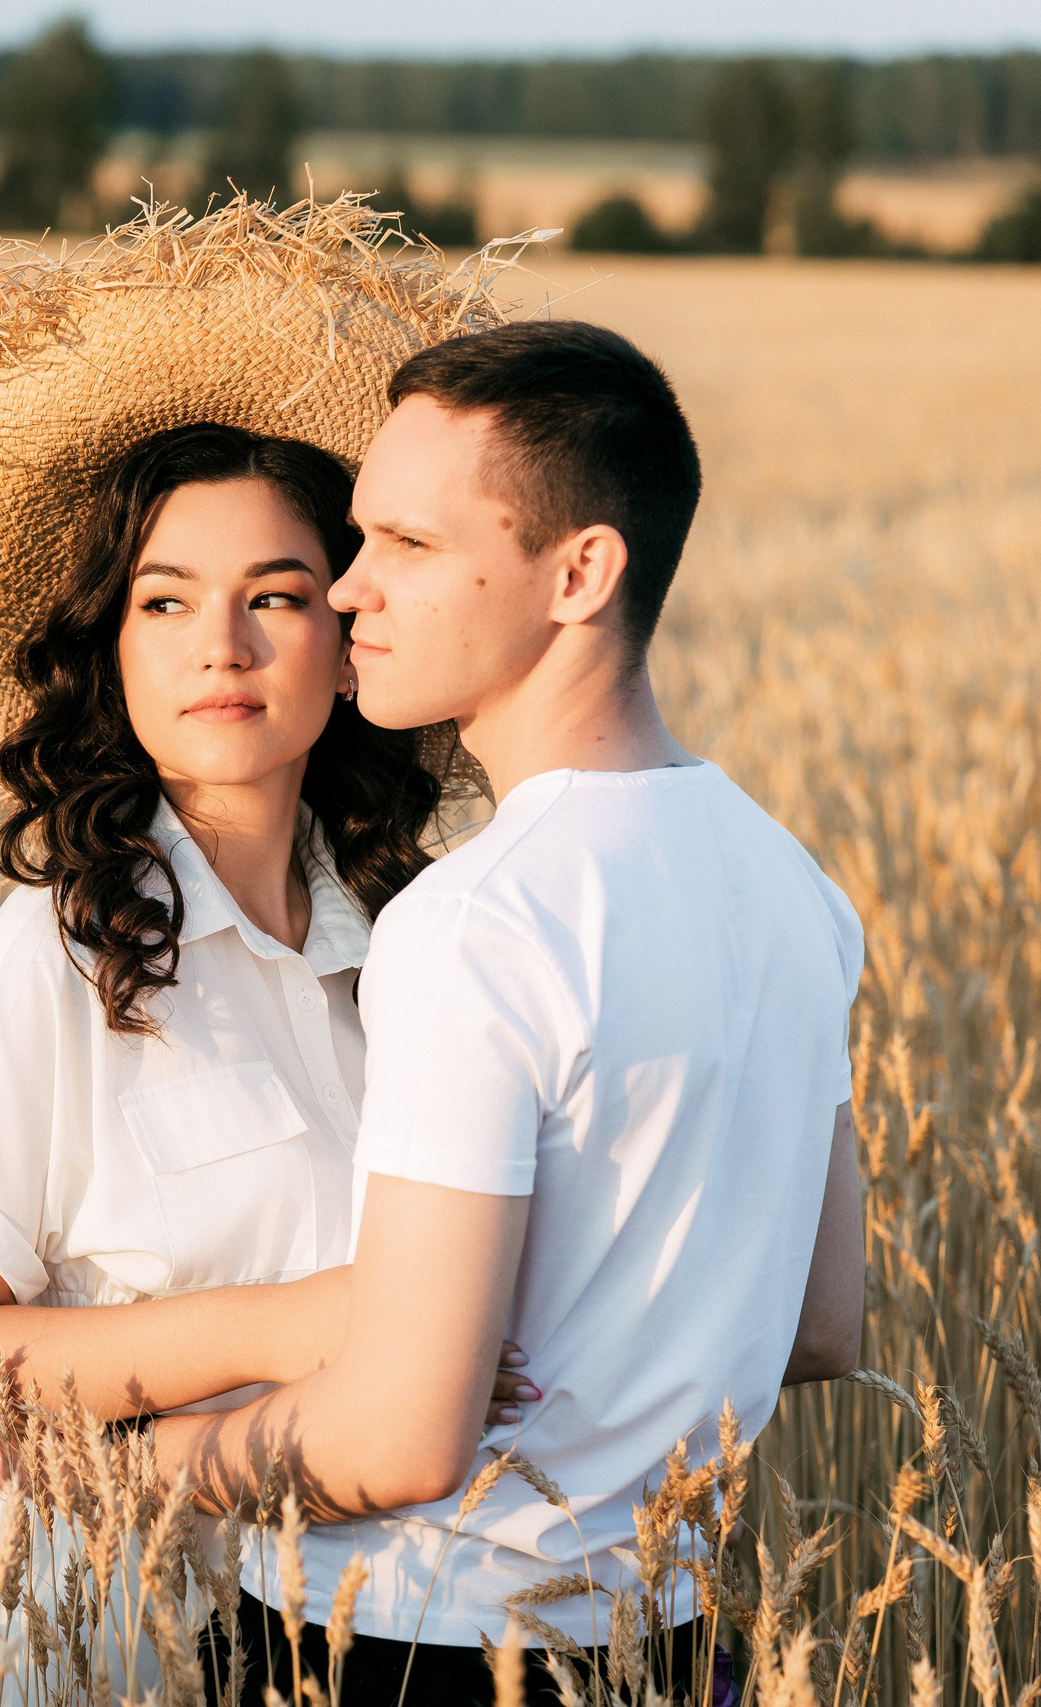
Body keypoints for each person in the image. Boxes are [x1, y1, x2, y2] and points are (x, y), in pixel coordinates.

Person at [0, 197, 527, 1705]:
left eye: (276, 598)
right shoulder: (51, 960)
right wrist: (314, 1323)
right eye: (166, 602)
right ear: (109, 648)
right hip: (60, 1640)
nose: (225, 647)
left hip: (324, 1644)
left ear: (348, 631)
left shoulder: (416, 958)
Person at [143, 321, 868, 1706]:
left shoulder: (479, 924)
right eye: (358, 540)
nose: (349, 590)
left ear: (581, 571)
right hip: (655, 1644)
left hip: (398, 1645)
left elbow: (403, 1443)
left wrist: (124, 1464)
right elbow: (823, 1322)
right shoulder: (797, 890)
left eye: (408, 545)